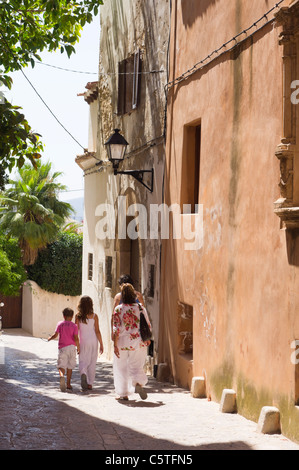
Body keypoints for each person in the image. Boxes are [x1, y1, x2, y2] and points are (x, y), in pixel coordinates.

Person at [112, 283, 151, 401]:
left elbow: (116, 328)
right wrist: (148, 338)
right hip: (138, 341)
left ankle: (123, 393)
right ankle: (138, 384)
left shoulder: (118, 309)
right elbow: (147, 324)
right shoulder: (140, 308)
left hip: (122, 342)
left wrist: (115, 345)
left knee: (120, 367)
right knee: (136, 365)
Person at [75, 296, 104, 391]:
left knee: (83, 360)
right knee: (92, 362)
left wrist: (77, 344)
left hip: (83, 341)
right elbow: (97, 331)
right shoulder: (94, 316)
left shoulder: (78, 316)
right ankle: (90, 383)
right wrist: (101, 344)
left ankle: (83, 373)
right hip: (93, 341)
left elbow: (76, 332)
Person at [48, 307, 79, 392]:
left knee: (61, 365)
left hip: (63, 348)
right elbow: (76, 338)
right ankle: (68, 384)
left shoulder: (60, 324)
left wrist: (50, 338)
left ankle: (61, 376)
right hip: (72, 348)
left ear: (63, 316)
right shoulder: (74, 326)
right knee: (70, 366)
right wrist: (78, 348)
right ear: (72, 316)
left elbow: (55, 335)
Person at [111, 274, 144, 341]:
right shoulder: (138, 296)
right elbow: (143, 312)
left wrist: (112, 332)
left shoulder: (118, 297)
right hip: (136, 332)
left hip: (122, 332)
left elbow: (113, 316)